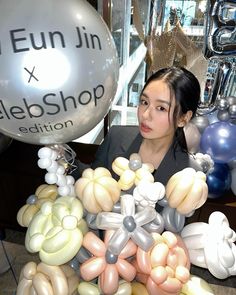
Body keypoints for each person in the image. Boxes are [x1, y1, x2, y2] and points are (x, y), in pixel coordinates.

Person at [71, 66, 202, 186]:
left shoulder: (189, 172)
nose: (145, 115)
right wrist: (65, 161)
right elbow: (91, 180)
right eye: (144, 102)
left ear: (183, 118)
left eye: (161, 108)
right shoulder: (116, 137)